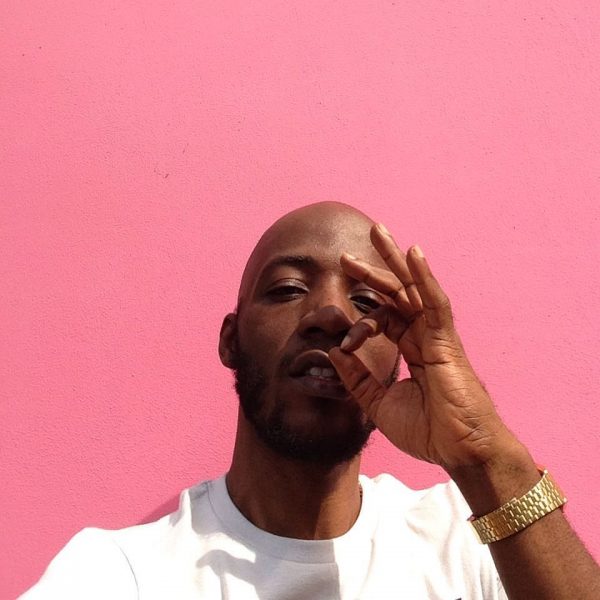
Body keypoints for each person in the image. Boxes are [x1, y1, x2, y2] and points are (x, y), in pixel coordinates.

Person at [21, 202, 600, 599]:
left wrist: (484, 459)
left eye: (368, 303)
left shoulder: (469, 541)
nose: (331, 315)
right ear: (230, 340)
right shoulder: (125, 573)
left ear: (400, 359)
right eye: (288, 289)